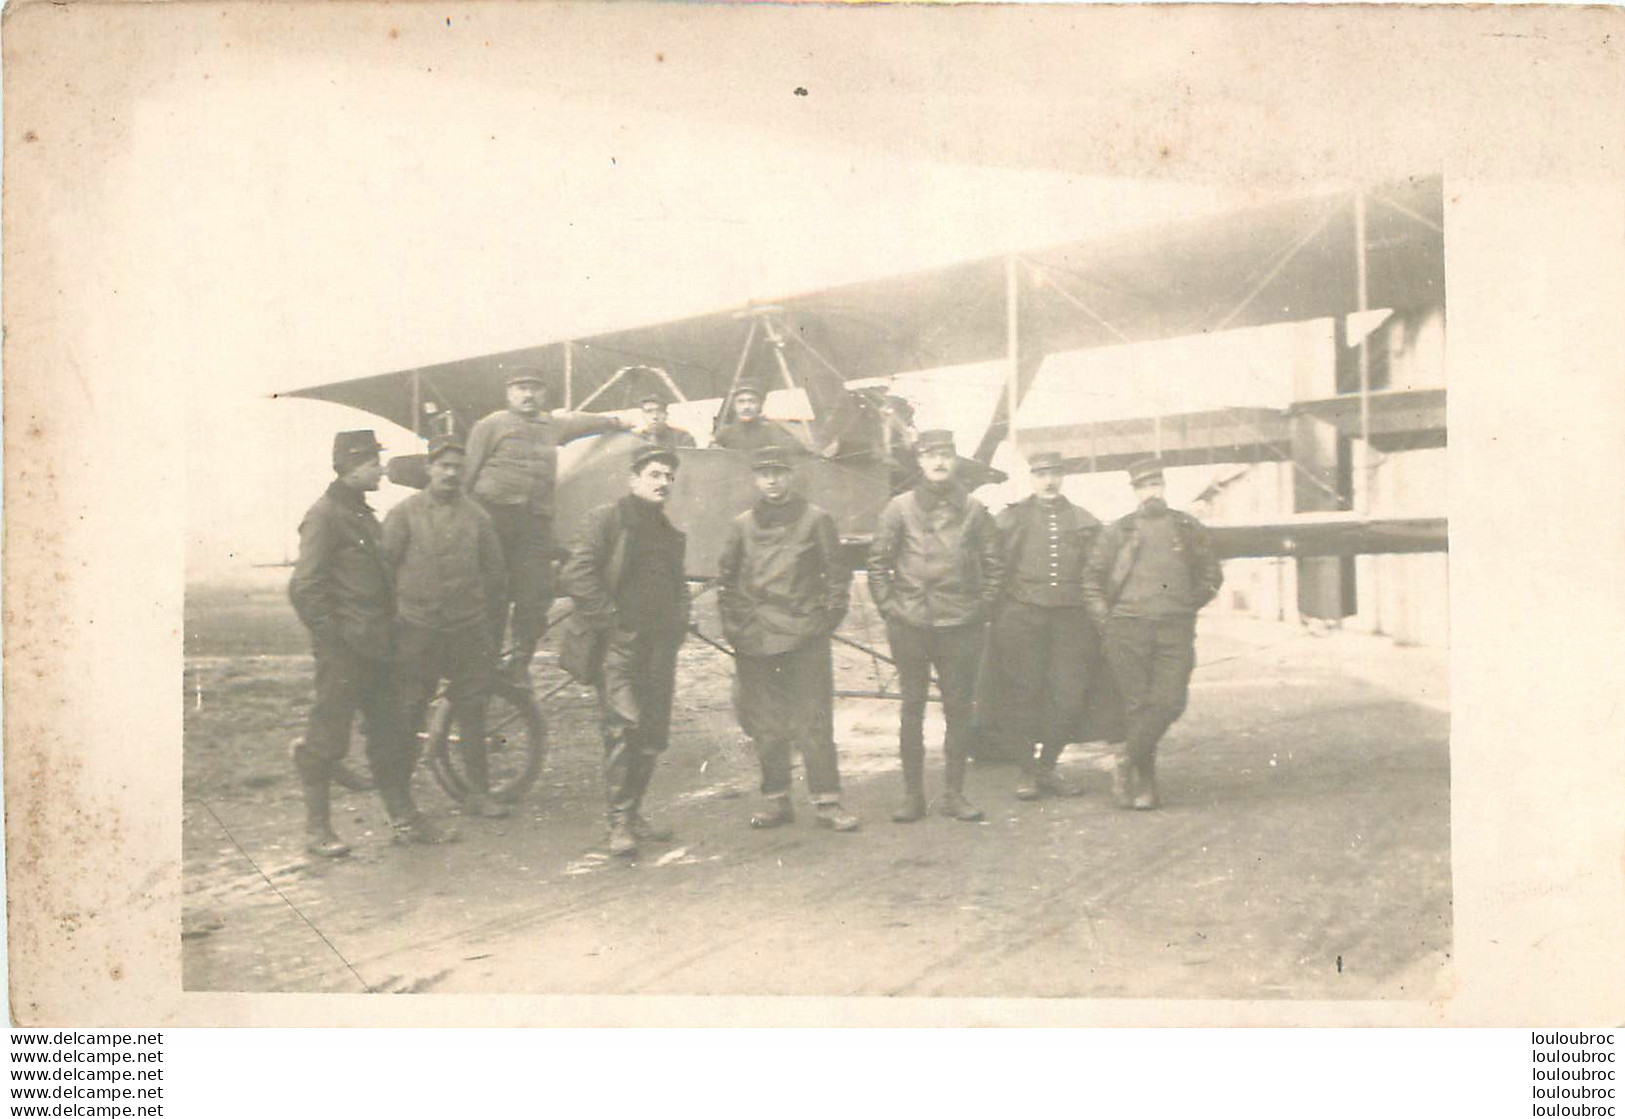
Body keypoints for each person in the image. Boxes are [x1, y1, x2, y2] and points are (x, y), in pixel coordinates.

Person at [288, 430, 436, 856]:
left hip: (378, 645)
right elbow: (306, 587)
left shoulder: (361, 514)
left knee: (391, 733)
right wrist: (333, 640)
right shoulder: (326, 514)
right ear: (352, 466)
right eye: (373, 463)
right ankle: (317, 831)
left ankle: (404, 819)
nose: (380, 471)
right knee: (328, 736)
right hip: (345, 651)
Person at [558, 443, 690, 857]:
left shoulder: (668, 533)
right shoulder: (607, 520)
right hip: (620, 644)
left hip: (659, 646)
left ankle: (633, 813)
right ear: (633, 479)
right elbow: (577, 574)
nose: (663, 482)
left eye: (669, 476)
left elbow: (675, 584)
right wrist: (612, 623)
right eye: (654, 474)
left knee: (652, 733)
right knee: (622, 727)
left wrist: (680, 619)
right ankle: (618, 822)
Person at [718, 447, 859, 833]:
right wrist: (738, 627)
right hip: (756, 639)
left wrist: (824, 622)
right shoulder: (742, 525)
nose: (772, 481)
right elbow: (727, 582)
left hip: (804, 637)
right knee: (766, 726)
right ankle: (776, 800)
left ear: (790, 475)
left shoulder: (816, 520)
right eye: (764, 474)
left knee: (813, 720)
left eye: (779, 472)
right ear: (755, 479)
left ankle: (827, 803)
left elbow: (836, 576)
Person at [867, 429, 1005, 823]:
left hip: (959, 623)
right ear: (920, 461)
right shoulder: (899, 507)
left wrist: (981, 609)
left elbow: (995, 564)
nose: (939, 461)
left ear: (955, 460)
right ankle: (912, 796)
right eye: (930, 454)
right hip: (910, 623)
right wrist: (890, 608)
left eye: (945, 453)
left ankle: (954, 793)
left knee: (958, 708)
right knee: (911, 708)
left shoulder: (974, 509)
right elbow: (878, 563)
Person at [463, 368, 626, 683]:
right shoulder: (490, 425)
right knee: (491, 593)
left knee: (536, 592)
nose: (528, 395)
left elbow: (583, 422)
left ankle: (519, 663)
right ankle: (485, 664)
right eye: (521, 388)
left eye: (535, 389)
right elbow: (468, 475)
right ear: (508, 393)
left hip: (534, 522)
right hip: (493, 517)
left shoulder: (552, 424)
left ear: (543, 394)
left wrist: (617, 423)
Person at [1083, 458, 1223, 810]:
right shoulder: (1119, 531)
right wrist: (1107, 620)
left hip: (1174, 627)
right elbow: (1091, 579)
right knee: (1137, 705)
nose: (1152, 492)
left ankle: (1126, 758)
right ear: (1134, 491)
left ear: (1165, 487)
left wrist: (1188, 604)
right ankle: (1146, 786)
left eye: (1156, 484)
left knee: (1171, 700)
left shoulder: (1187, 527)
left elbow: (1211, 574)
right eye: (1144, 486)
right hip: (1128, 629)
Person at [383, 435, 510, 820]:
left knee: (473, 711)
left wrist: (485, 625)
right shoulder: (404, 513)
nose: (452, 473)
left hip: (467, 631)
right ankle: (402, 803)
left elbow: (496, 574)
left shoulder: (478, 516)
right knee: (408, 712)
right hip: (418, 631)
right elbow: (384, 568)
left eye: (458, 467)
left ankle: (479, 794)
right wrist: (396, 621)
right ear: (429, 469)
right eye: (444, 466)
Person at [983, 450, 1121, 800]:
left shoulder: (1084, 520)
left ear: (1063, 477)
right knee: (1023, 693)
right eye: (1042, 474)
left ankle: (1047, 766)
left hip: (1072, 619)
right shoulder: (1011, 518)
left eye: (1055, 473)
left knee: (1069, 694)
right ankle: (1026, 772)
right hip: (1022, 616)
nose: (1049, 481)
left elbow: (1101, 569)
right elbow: (990, 564)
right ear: (1032, 477)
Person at [712, 380, 805, 452]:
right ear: (734, 406)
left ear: (760, 405)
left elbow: (797, 452)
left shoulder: (772, 430)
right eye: (741, 402)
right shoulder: (725, 434)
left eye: (752, 401)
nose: (746, 407)